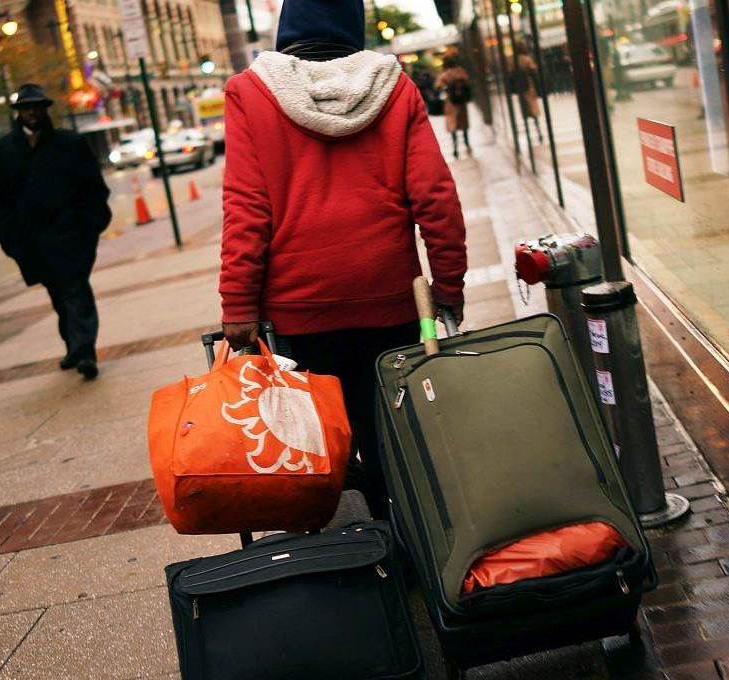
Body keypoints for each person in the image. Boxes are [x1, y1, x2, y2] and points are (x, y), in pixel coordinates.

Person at [219, 0, 468, 518]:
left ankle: (347, 550)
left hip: (298, 311)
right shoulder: (395, 87)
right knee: (393, 438)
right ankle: (402, 534)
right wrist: (448, 286)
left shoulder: (250, 93)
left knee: (315, 441)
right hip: (389, 302)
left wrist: (238, 303)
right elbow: (436, 198)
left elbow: (245, 207)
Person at [0, 84, 112, 379]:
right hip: (32, 243)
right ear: (18, 112)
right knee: (58, 294)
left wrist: (89, 227)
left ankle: (85, 351)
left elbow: (94, 189)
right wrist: (11, 239)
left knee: (75, 289)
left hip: (72, 237)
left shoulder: (70, 144)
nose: (32, 112)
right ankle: (73, 346)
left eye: (37, 106)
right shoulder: (2, 151)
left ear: (45, 109)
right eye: (26, 108)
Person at [435, 55, 473, 158]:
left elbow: (438, 85)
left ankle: (455, 148)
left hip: (451, 102)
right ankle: (467, 144)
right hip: (462, 102)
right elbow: (467, 81)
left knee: (452, 124)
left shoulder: (445, 74)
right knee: (463, 123)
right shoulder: (460, 71)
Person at [514, 43, 544, 143]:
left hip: (520, 88)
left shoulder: (514, 61)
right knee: (533, 110)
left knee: (525, 110)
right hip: (529, 86)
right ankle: (538, 131)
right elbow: (534, 72)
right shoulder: (527, 59)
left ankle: (528, 132)